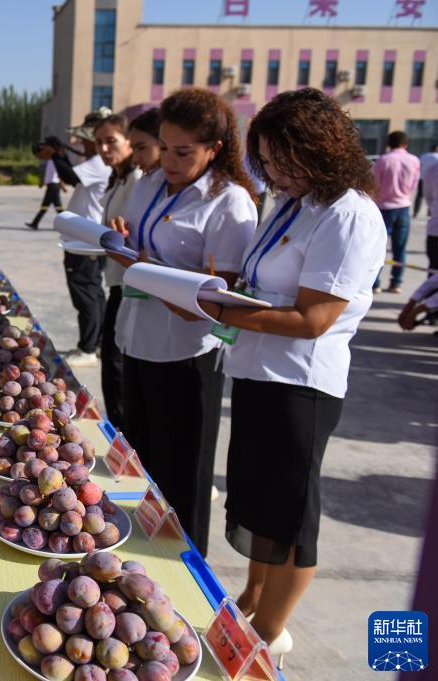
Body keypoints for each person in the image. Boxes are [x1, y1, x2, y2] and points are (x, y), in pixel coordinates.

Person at [202, 89, 384, 663]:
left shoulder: (348, 215)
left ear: (323, 149)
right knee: (259, 503)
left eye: (285, 160)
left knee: (291, 516)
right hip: (259, 371)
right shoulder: (296, 203)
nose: (276, 173)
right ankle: (253, 598)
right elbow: (265, 283)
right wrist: (217, 292)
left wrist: (226, 311)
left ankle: (268, 632)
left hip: (301, 385)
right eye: (267, 161)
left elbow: (313, 319)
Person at [108, 88, 258, 556]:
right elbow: (137, 243)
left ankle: (186, 567)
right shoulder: (150, 183)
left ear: (214, 149)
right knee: (142, 468)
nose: (169, 162)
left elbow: (219, 293)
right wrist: (120, 242)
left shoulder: (229, 202)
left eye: (183, 152)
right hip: (136, 338)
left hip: (185, 353)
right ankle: (140, 564)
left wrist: (152, 269)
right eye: (165, 148)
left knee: (184, 477)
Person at [93, 110, 157, 428]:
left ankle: (121, 430)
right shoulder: (119, 178)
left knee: (116, 361)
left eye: (111, 141)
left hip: (131, 280)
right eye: (99, 143)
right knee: (113, 359)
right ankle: (119, 426)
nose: (104, 149)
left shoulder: (138, 181)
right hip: (118, 277)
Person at [61, 111, 113, 368]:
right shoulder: (96, 162)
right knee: (93, 293)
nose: (82, 144)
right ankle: (97, 342)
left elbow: (70, 176)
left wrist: (56, 155)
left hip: (85, 241)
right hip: (87, 238)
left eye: (87, 140)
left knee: (86, 294)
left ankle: (88, 347)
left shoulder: (98, 163)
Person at [372, 130, 419, 294]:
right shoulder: (413, 160)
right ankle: (396, 282)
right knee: (400, 247)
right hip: (403, 206)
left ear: (388, 144)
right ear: (405, 144)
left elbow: (375, 183)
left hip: (384, 207)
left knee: (378, 248)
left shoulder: (383, 160)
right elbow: (414, 184)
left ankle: (375, 283)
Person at [25, 137, 65, 229]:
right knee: (58, 207)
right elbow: (48, 174)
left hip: (54, 185)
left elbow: (59, 173)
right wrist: (43, 182)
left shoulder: (54, 160)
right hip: (51, 185)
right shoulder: (50, 161)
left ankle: (35, 223)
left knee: (46, 205)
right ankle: (67, 224)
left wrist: (62, 185)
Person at [413, 142, 438, 217]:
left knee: (419, 195)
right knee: (433, 196)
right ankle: (431, 212)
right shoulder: (437, 157)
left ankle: (416, 212)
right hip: (433, 179)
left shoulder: (424, 156)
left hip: (422, 178)